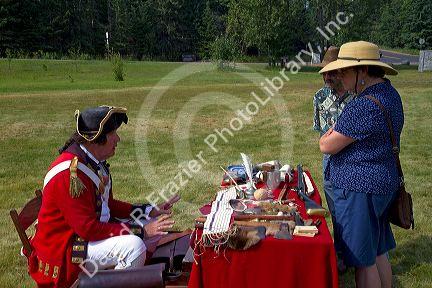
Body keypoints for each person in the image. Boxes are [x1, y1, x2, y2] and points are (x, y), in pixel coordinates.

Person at [28, 106, 180, 287]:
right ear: (96, 139)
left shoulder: (92, 163)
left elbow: (109, 205)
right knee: (134, 247)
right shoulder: (70, 174)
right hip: (67, 250)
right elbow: (88, 229)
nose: (118, 139)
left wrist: (149, 210)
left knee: (148, 225)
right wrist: (141, 232)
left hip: (83, 238)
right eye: (113, 133)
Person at [319, 41, 403, 288]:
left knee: (363, 261)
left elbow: (326, 144)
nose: (340, 76)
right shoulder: (390, 94)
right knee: (377, 251)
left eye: (344, 71)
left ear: (363, 71)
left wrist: (331, 133)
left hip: (361, 191)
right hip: (382, 184)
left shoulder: (363, 106)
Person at [313, 46, 353, 272]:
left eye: (332, 72)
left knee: (352, 212)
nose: (327, 77)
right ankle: (339, 255)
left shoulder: (357, 97)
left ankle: (355, 254)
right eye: (324, 73)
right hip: (329, 164)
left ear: (342, 71)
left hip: (353, 164)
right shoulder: (319, 98)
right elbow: (320, 133)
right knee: (336, 212)